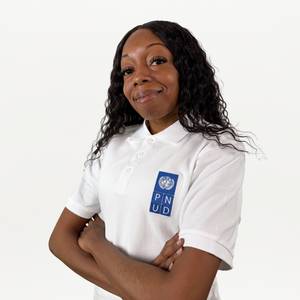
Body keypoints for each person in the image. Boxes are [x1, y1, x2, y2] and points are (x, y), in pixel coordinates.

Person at [49, 20, 250, 300]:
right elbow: (60, 240)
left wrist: (97, 243)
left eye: (157, 61)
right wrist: (144, 287)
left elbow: (183, 296)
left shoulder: (215, 151)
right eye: (128, 70)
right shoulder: (115, 146)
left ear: (185, 68)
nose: (138, 77)